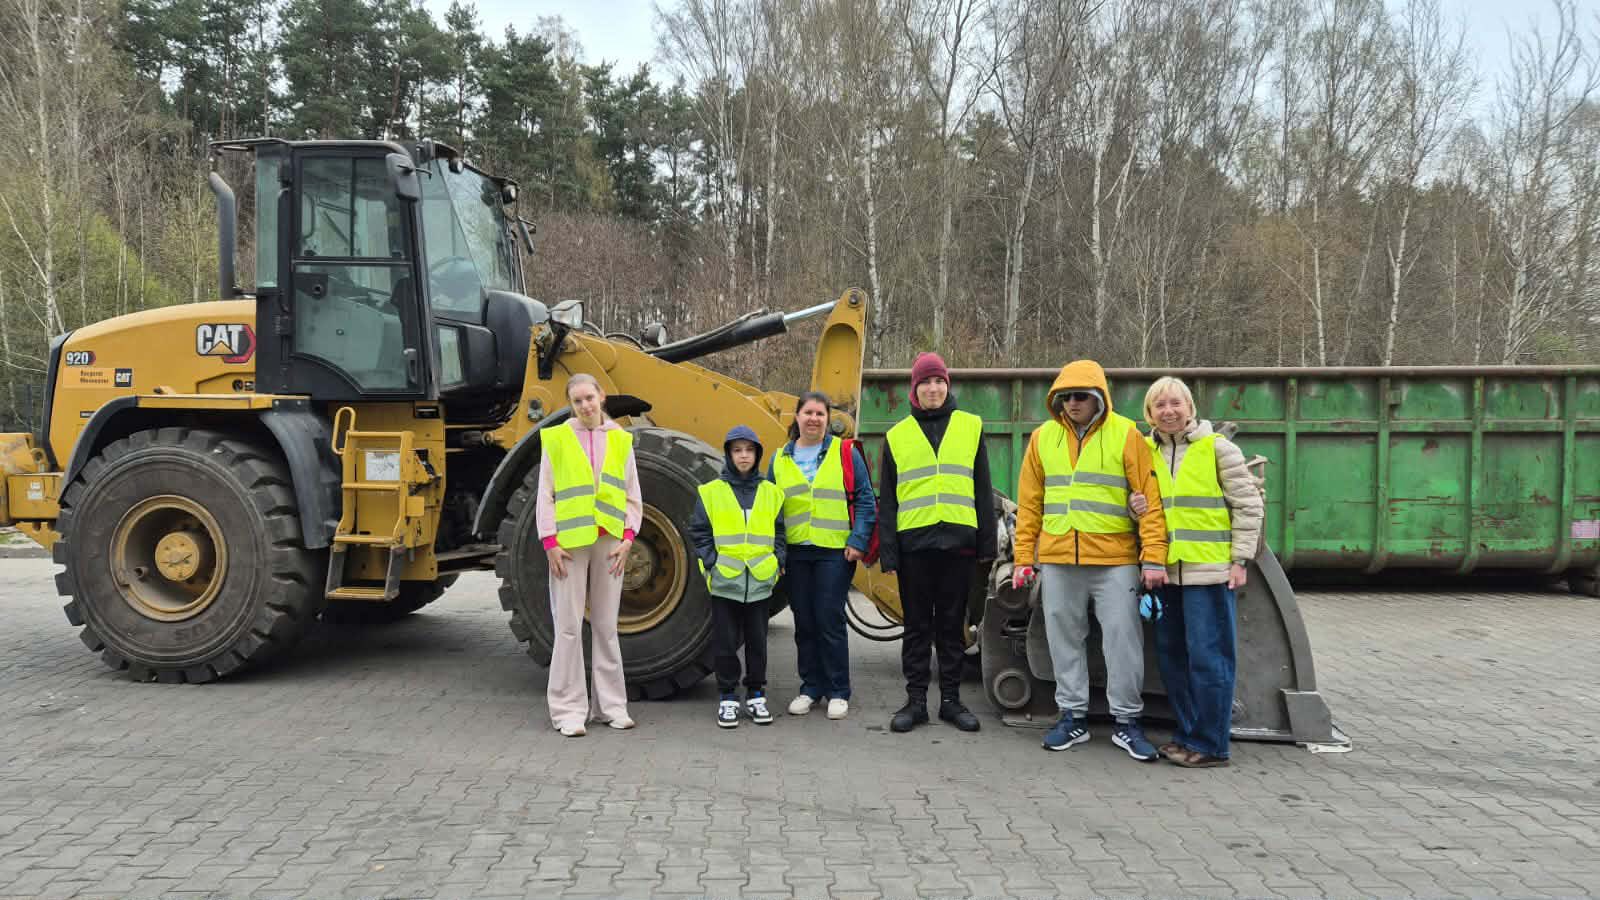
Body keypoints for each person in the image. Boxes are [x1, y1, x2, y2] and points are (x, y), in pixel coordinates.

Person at [1012, 359, 1169, 761]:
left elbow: (1149, 502)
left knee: (1123, 642)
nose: (1072, 403)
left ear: (1099, 398)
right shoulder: (1042, 439)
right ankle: (1072, 717)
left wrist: (1153, 557)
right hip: (1059, 560)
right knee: (1063, 640)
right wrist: (1023, 558)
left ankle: (1127, 722)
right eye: (1065, 397)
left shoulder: (1127, 435)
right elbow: (1029, 506)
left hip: (1115, 561)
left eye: (1081, 396)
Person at [1136, 376, 1263, 768]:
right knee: (1172, 659)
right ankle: (1187, 735)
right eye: (1160, 405)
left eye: (1176, 403)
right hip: (1165, 576)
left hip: (1208, 574)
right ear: (1149, 413)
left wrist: (1240, 560)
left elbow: (1248, 505)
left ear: (1190, 408)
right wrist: (1134, 508)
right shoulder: (1144, 452)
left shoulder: (1218, 448)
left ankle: (1211, 745)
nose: (1168, 411)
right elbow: (1144, 510)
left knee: (1210, 660)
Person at [877, 353, 996, 734]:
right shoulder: (897, 436)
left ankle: (950, 701)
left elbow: (982, 488)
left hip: (959, 545)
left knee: (950, 626)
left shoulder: (970, 427)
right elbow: (888, 499)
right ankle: (915, 702)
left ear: (948, 385)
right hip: (914, 546)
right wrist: (889, 551)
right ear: (914, 389)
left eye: (939, 381)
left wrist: (987, 545)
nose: (933, 388)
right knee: (916, 627)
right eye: (925, 382)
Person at [537, 374, 642, 737]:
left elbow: (632, 493)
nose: (585, 406)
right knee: (568, 627)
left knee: (606, 627)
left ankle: (611, 707)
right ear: (571, 405)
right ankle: (568, 711)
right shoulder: (557, 439)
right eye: (577, 401)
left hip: (610, 543)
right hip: (568, 545)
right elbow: (545, 494)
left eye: (589, 398)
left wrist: (628, 537)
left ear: (601, 396)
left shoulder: (621, 440)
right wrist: (550, 542)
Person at [768, 391, 876, 720]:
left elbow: (866, 499)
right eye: (808, 413)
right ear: (797, 417)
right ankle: (810, 687)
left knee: (829, 618)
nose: (814, 419)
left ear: (828, 419)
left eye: (820, 414)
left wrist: (858, 540)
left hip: (834, 552)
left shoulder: (845, 453)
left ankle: (838, 691)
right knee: (804, 621)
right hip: (796, 554)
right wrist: (777, 551)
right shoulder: (779, 459)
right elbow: (769, 509)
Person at [688, 425, 787, 729]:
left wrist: (778, 560)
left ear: (757, 454)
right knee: (725, 643)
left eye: (749, 450)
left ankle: (756, 695)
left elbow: (780, 532)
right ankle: (728, 697)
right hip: (725, 582)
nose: (743, 456)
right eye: (737, 450)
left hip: (759, 582)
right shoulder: (711, 492)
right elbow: (699, 531)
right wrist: (712, 562)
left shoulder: (772, 493)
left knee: (758, 643)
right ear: (729, 454)